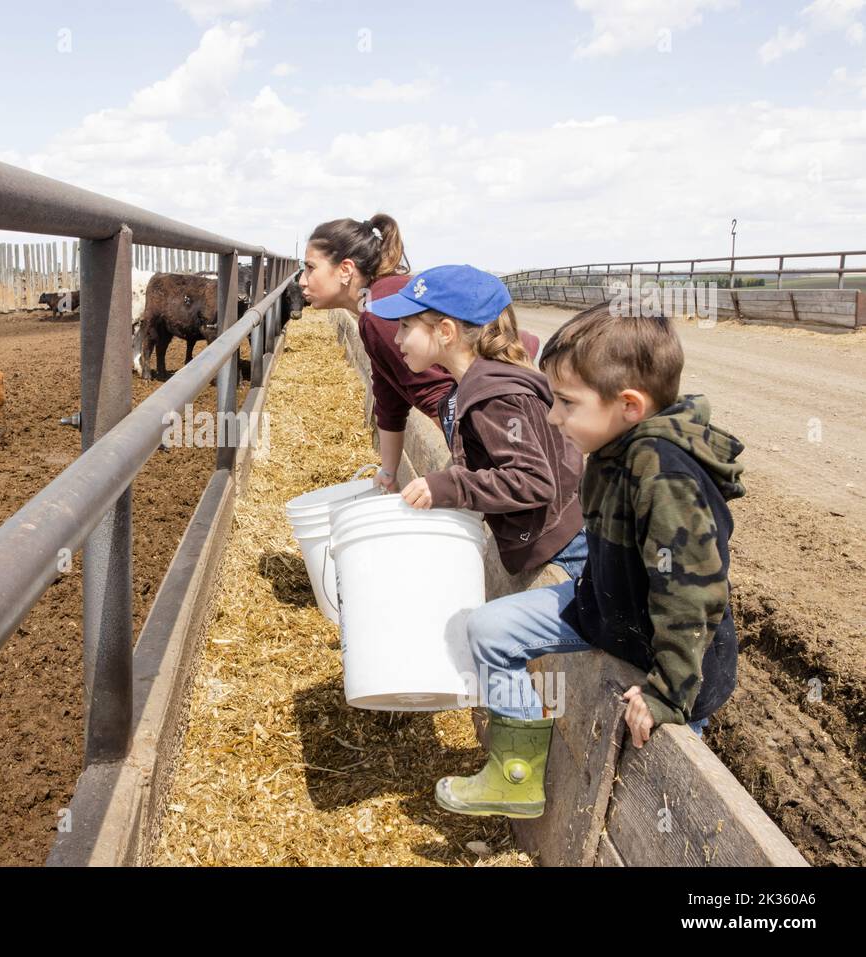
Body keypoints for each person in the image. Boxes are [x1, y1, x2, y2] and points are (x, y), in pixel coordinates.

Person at [434, 303, 745, 820]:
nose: (553, 417)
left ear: (628, 404)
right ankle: (517, 776)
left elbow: (691, 595)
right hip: (604, 609)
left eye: (566, 402)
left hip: (674, 656)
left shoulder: (666, 477)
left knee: (664, 793)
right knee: (489, 628)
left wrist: (666, 692)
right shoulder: (610, 449)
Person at [367, 265, 587, 580]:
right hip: (554, 538)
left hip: (567, 551)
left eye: (405, 326)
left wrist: (447, 486)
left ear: (445, 332)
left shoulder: (494, 399)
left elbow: (533, 481)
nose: (397, 338)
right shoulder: (468, 389)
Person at [299, 215, 540, 494]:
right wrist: (388, 471)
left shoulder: (379, 313)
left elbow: (442, 395)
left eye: (310, 268)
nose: (303, 281)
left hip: (517, 389)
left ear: (345, 270)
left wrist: (467, 474)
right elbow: (389, 395)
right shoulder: (375, 306)